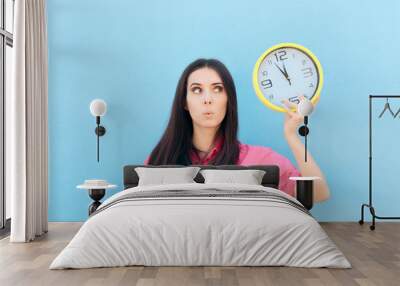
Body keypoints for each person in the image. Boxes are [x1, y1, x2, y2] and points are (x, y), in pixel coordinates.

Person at [144, 58, 330, 202]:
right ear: (184, 101)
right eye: (197, 90)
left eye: (217, 89)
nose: (207, 99)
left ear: (228, 99)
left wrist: (291, 136)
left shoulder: (259, 160)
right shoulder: (161, 159)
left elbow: (319, 193)